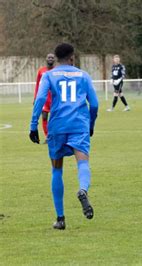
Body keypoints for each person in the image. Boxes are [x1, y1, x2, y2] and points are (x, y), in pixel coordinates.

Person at [29, 43, 99, 230]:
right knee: (83, 163)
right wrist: (90, 124)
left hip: (57, 126)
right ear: (72, 57)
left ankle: (60, 219)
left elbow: (41, 99)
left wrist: (33, 125)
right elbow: (94, 104)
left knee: (57, 170)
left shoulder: (49, 75)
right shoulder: (83, 75)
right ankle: (82, 190)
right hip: (79, 125)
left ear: (57, 59)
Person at [33, 53, 55, 143]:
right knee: (44, 117)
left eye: (52, 58)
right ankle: (47, 137)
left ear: (55, 60)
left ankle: (54, 136)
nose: (50, 59)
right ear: (46, 59)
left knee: (54, 118)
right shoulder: (41, 71)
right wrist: (35, 98)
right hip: (44, 99)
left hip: (54, 99)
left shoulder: (57, 71)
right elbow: (38, 85)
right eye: (49, 57)